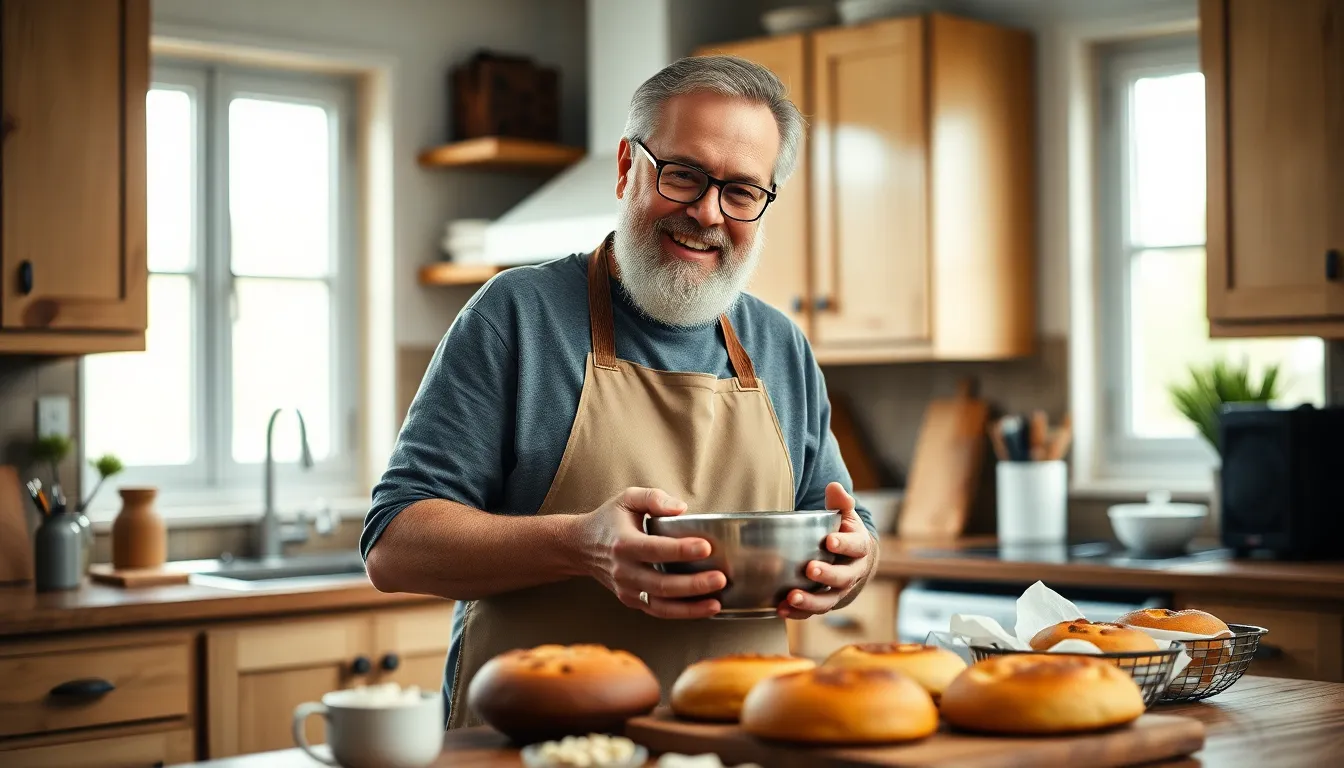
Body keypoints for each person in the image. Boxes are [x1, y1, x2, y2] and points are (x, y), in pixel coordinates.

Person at [362, 54, 880, 729]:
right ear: (626, 167)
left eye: (743, 192)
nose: (707, 213)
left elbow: (843, 525)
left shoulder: (780, 345)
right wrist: (582, 545)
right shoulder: (517, 316)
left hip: (734, 746)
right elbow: (393, 545)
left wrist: (855, 562)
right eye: (684, 174)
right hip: (536, 745)